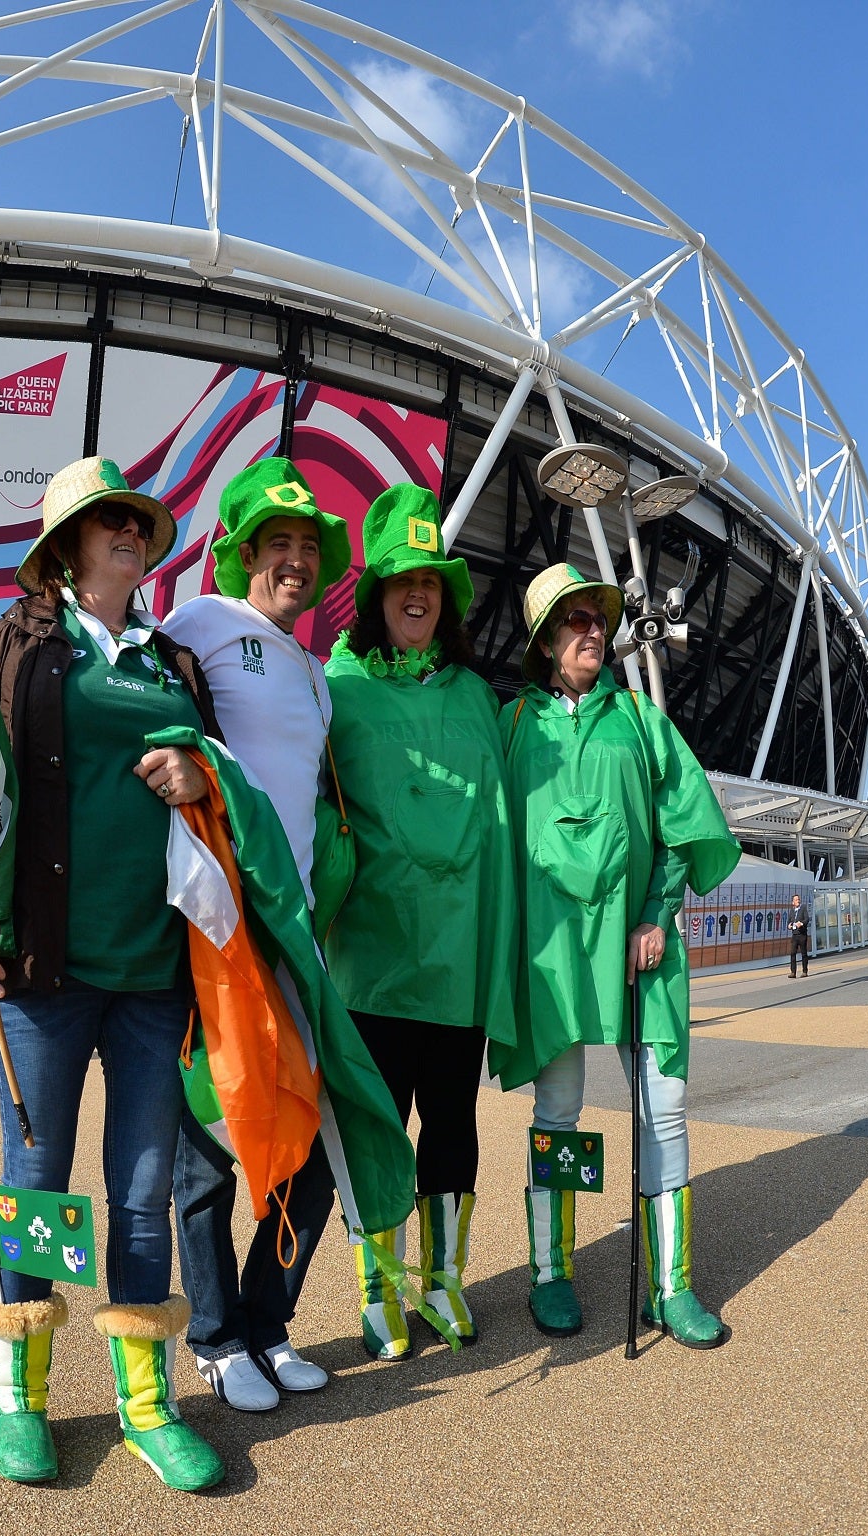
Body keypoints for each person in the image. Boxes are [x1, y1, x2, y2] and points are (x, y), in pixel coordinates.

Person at [0, 456, 227, 1491]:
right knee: (37, 1181)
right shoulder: (4, 646)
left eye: (136, 525)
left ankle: (145, 1408)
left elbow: (218, 788)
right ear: (62, 545)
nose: (127, 537)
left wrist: (198, 777)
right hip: (43, 974)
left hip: (153, 972)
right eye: (107, 523)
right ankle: (21, 1399)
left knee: (144, 1194)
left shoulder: (170, 660)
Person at [490, 562, 742, 1349]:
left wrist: (659, 910)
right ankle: (551, 1274)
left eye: (597, 617)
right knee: (557, 1113)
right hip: (553, 955)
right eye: (572, 619)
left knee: (662, 1108)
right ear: (542, 641)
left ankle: (672, 1287)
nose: (591, 629)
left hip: (641, 947)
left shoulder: (639, 717)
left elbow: (683, 820)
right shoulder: (513, 723)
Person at [159, 457, 350, 1410]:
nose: (295, 563)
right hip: (221, 932)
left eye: (309, 548)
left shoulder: (318, 676)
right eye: (278, 545)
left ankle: (269, 1325)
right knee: (209, 1145)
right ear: (239, 555)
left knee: (304, 1153)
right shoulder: (196, 624)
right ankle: (215, 1336)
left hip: (296, 938)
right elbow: (157, 736)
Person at [321, 484, 519, 1361]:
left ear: (447, 598)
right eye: (401, 578)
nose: (416, 594)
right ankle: (379, 1290)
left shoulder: (480, 696)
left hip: (456, 957)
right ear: (375, 594)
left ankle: (444, 1283)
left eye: (431, 581)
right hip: (371, 957)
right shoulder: (337, 686)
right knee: (376, 1129)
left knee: (452, 1127)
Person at [787, 892, 810, 977]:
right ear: (793, 902)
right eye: (796, 900)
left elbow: (807, 919)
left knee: (803, 953)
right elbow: (789, 921)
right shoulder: (792, 911)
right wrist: (789, 925)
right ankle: (793, 972)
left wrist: (802, 923)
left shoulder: (803, 908)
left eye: (798, 899)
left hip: (802, 934)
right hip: (794, 935)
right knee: (793, 953)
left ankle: (805, 971)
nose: (798, 901)